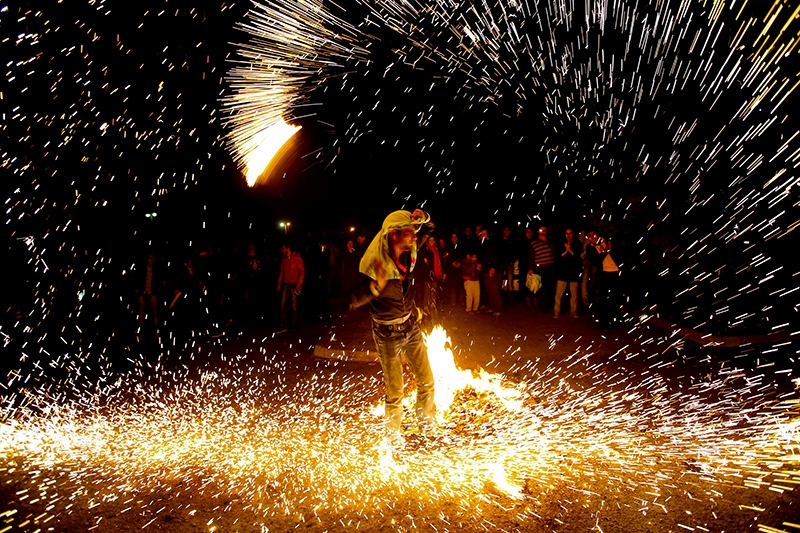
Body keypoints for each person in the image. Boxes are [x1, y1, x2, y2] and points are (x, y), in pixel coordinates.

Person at [350, 209, 437, 444]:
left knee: (427, 381)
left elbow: (429, 228)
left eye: (413, 232)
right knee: (396, 392)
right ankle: (393, 439)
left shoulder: (411, 250)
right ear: (393, 234)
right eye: (408, 233)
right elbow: (353, 299)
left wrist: (423, 217)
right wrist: (375, 287)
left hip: (410, 326)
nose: (414, 237)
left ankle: (427, 425)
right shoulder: (372, 262)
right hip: (387, 333)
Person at [586, 232, 621, 330]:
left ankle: (613, 318)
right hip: (604, 275)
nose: (593, 237)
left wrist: (608, 248)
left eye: (594, 235)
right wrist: (603, 251)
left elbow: (618, 255)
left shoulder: (607, 243)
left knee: (614, 298)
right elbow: (595, 261)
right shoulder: (590, 248)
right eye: (590, 236)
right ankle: (604, 322)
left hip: (615, 273)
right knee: (603, 299)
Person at [416, 234, 443, 330]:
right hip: (427, 276)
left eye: (433, 240)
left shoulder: (436, 250)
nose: (432, 242)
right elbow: (420, 263)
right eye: (430, 240)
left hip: (434, 275)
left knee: (434, 292)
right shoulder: (425, 250)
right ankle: (426, 309)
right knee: (427, 292)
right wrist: (424, 261)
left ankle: (433, 308)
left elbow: (439, 262)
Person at [553, 228, 582, 318]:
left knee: (574, 294)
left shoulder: (577, 243)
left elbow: (577, 256)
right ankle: (556, 311)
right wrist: (566, 250)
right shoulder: (560, 243)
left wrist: (570, 250)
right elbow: (558, 256)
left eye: (570, 233)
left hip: (573, 272)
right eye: (567, 233)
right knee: (559, 294)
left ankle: (573, 311)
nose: (568, 235)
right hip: (562, 272)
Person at [277, 241, 305, 331]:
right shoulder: (284, 259)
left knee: (294, 306)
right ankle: (284, 324)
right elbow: (282, 272)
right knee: (283, 305)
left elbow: (302, 272)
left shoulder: (297, 259)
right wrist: (279, 284)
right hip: (286, 283)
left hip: (294, 284)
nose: (282, 250)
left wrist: (299, 284)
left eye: (283, 248)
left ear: (288, 249)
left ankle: (294, 324)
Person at [528, 225, 556, 312]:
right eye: (541, 230)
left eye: (544, 230)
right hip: (540, 268)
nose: (543, 232)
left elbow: (555, 248)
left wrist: (546, 241)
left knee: (551, 286)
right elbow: (531, 256)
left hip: (550, 267)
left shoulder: (550, 240)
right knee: (542, 288)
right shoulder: (534, 243)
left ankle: (552, 305)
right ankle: (543, 307)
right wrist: (530, 268)